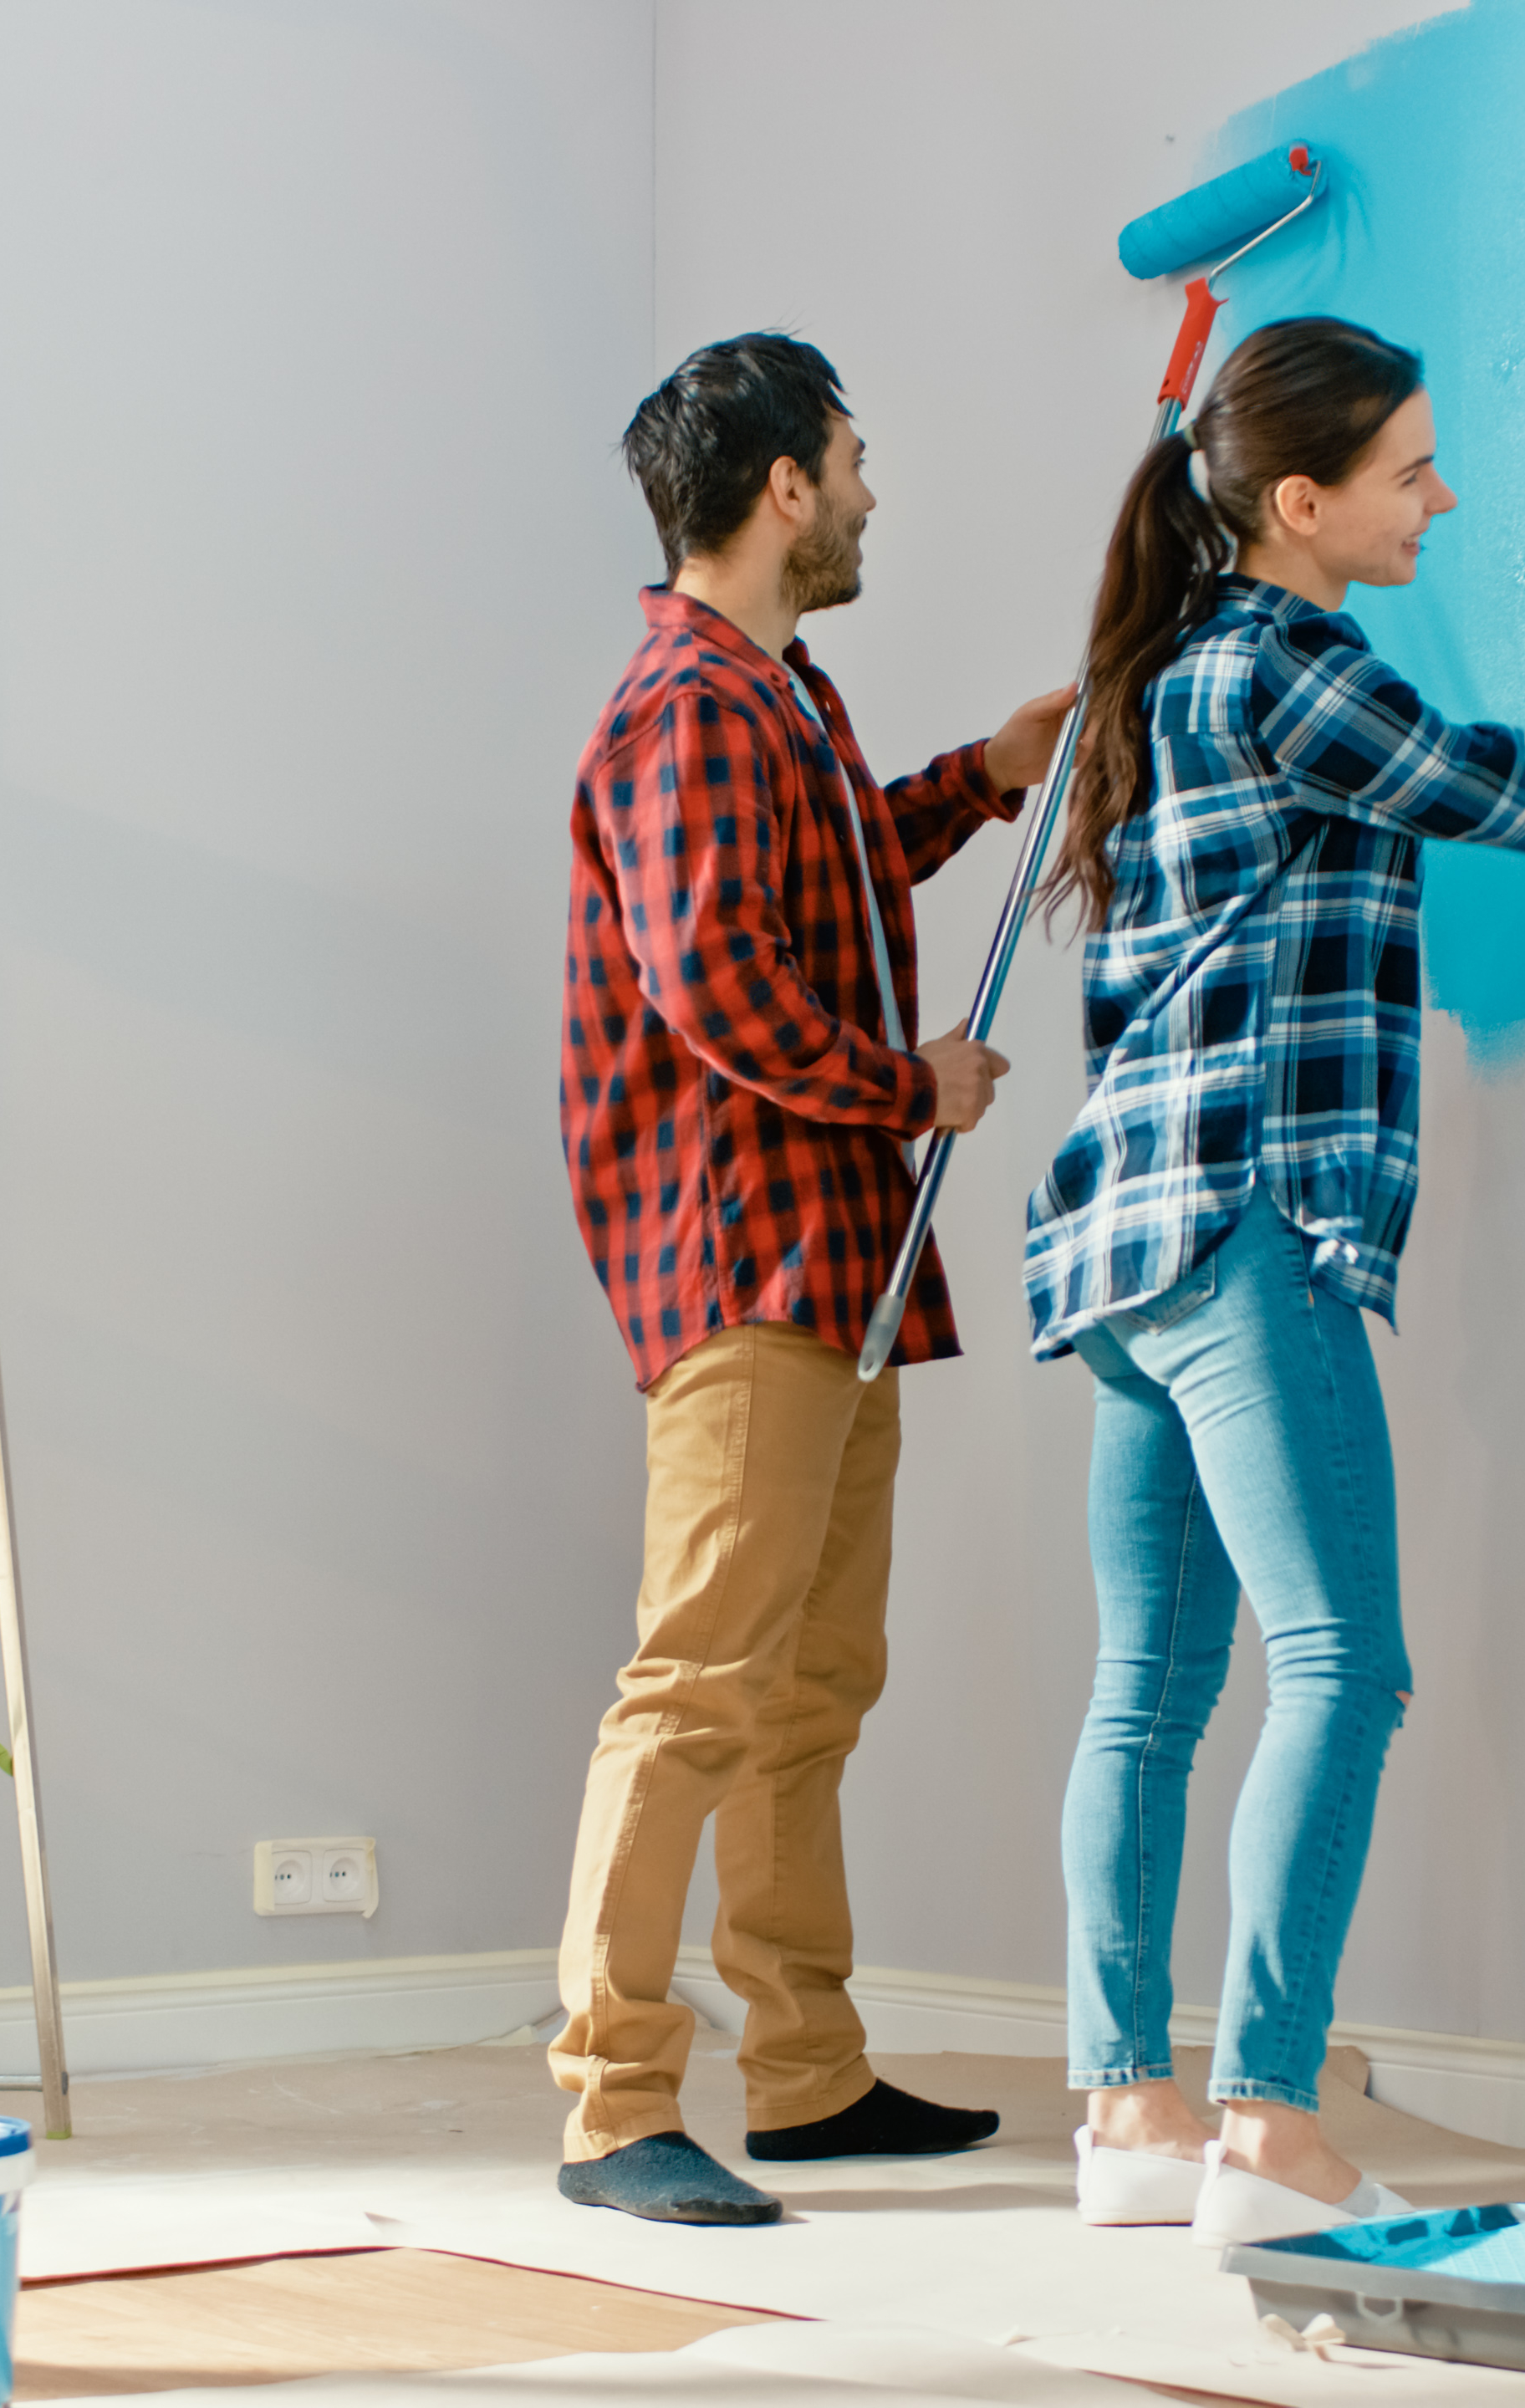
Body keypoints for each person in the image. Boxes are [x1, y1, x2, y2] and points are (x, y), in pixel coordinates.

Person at [1024, 315, 1525, 2242]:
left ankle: (1128, 2108)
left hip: (1123, 1236)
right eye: (1410, 469)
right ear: (1299, 503)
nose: (1443, 495)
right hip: (1241, 1221)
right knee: (1342, 1665)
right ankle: (1266, 2124)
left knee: (1148, 1685)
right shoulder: (1293, 669)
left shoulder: (1158, 673)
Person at [548, 332, 1076, 2227]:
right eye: (850, 459)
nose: (867, 490)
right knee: (696, 1683)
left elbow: (824, 883)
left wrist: (985, 782)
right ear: (783, 485)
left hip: (834, 1269)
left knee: (807, 1686)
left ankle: (806, 2074)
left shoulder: (779, 693)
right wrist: (905, 1084)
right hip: (747, 1268)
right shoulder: (686, 705)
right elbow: (722, 987)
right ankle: (612, 2104)